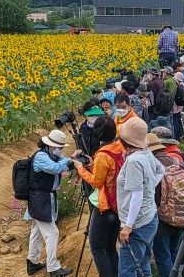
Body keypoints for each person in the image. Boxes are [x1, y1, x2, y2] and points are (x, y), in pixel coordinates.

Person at [72, 116, 122, 277]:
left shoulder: (103, 154)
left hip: (105, 206)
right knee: (110, 247)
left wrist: (81, 168)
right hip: (118, 203)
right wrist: (92, 163)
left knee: (96, 247)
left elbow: (97, 182)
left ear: (97, 133)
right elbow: (109, 174)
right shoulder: (119, 147)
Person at [116, 118, 164, 277]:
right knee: (142, 267)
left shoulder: (134, 161)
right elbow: (161, 170)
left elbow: (136, 196)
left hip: (137, 225)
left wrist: (128, 226)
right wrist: (149, 187)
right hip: (149, 217)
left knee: (126, 271)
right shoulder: (146, 152)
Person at [25, 130, 74, 277]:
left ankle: (32, 263)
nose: (61, 150)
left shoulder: (52, 155)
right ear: (51, 146)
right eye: (60, 147)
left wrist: (73, 159)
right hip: (40, 199)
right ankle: (53, 267)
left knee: (37, 231)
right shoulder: (41, 156)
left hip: (43, 198)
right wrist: (71, 162)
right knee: (52, 232)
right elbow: (56, 168)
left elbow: (63, 161)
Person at [148, 133, 184, 277]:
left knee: (163, 256)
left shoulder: (153, 165)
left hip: (163, 218)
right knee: (175, 253)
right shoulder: (178, 162)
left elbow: (154, 195)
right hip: (182, 214)